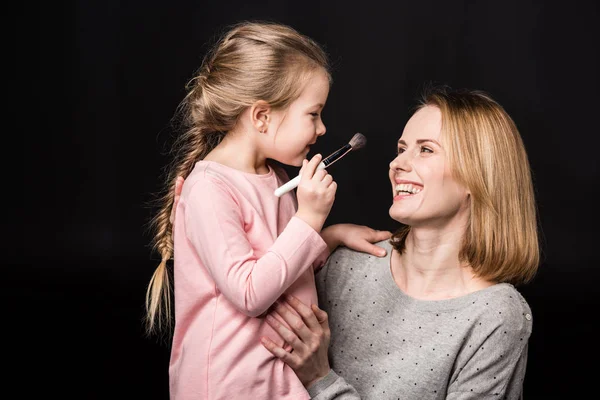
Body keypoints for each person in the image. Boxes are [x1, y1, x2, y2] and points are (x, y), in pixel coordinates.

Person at [144, 21, 391, 400]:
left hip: (279, 379)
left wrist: (329, 236)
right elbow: (249, 292)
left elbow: (278, 264)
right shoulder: (209, 189)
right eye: (313, 114)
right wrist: (309, 219)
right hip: (229, 387)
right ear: (261, 117)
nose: (322, 128)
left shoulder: (274, 176)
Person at [260, 86, 541, 399]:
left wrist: (320, 380)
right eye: (401, 149)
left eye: (425, 150)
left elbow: (315, 379)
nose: (396, 165)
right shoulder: (343, 265)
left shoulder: (496, 316)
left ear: (479, 175)